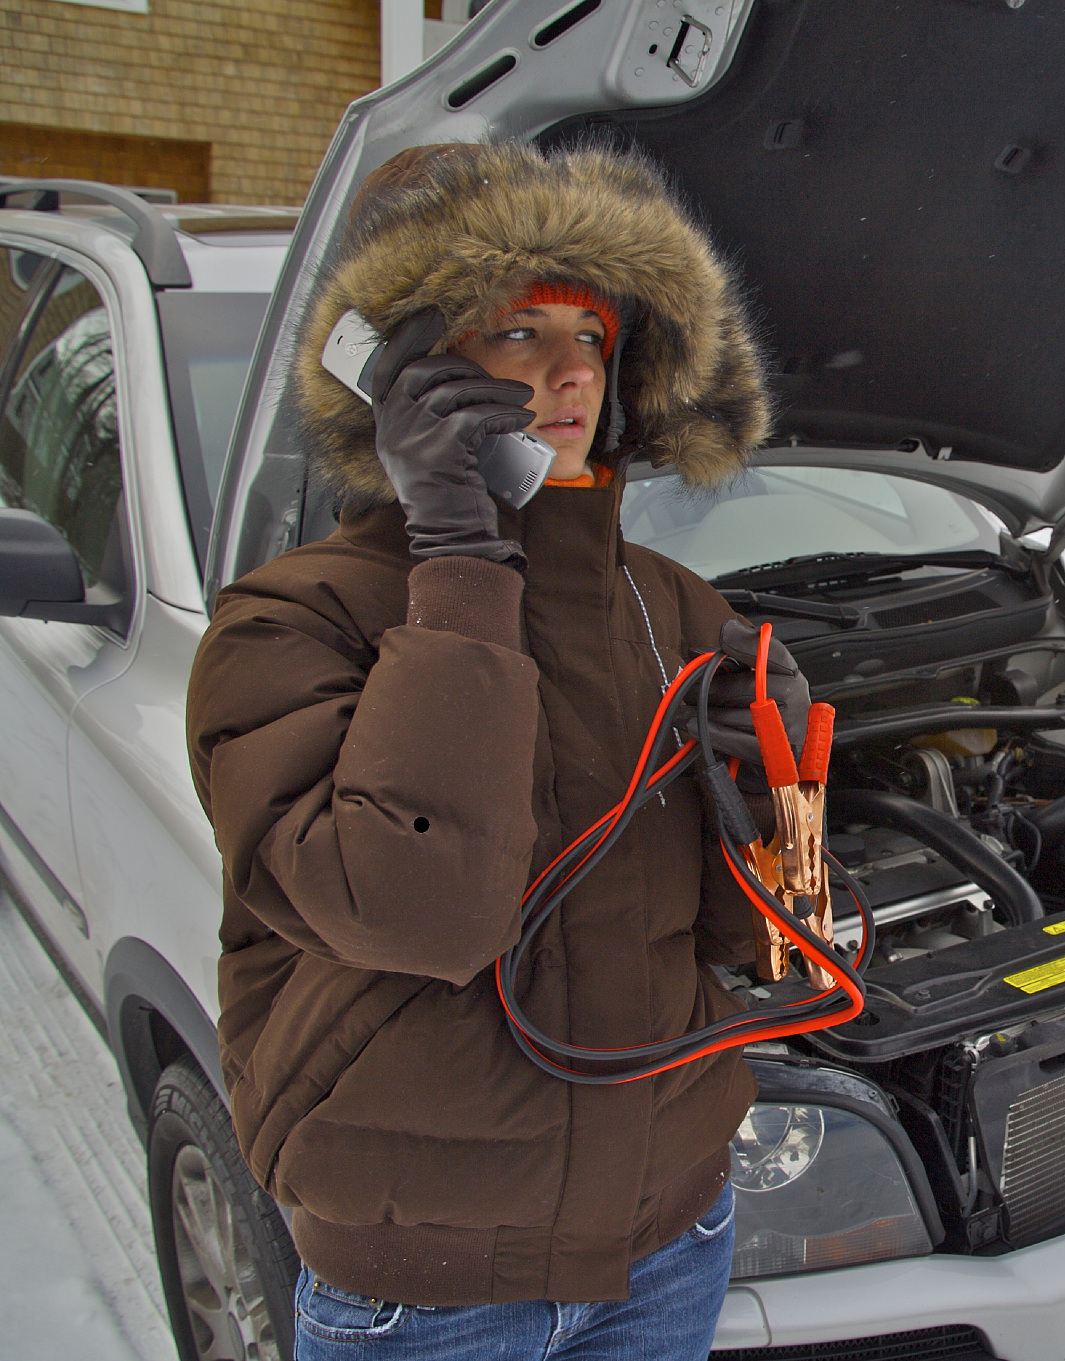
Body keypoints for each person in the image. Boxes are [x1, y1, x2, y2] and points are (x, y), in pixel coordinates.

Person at [185, 140, 798, 1359]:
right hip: (427, 1291)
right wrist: (461, 556)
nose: (569, 371)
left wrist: (770, 801)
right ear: (400, 368)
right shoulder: (290, 619)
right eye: (517, 332)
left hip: (669, 1240)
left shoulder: (674, 608)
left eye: (591, 332)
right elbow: (419, 911)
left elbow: (756, 945)